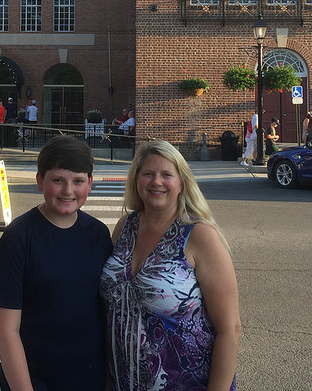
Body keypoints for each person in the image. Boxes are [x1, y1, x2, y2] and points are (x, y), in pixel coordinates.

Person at [100, 140, 241, 391]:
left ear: (181, 183)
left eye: (167, 175)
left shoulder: (200, 236)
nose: (157, 182)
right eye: (148, 174)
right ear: (136, 180)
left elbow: (230, 330)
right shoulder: (125, 227)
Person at [0, 136, 112, 391]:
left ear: (90, 184)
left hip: (89, 378)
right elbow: (6, 330)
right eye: (58, 180)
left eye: (78, 181)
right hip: (34, 378)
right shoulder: (19, 237)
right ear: (39, 181)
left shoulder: (98, 235)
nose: (68, 191)